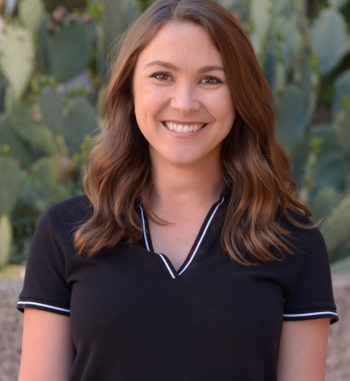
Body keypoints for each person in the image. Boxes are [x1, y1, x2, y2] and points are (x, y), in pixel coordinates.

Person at [17, 0, 338, 380]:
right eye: (162, 76)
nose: (184, 103)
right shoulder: (65, 232)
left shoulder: (293, 241)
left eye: (211, 80)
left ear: (240, 96)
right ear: (129, 89)